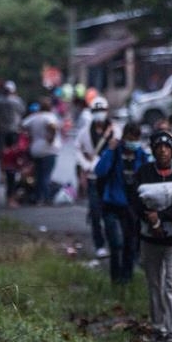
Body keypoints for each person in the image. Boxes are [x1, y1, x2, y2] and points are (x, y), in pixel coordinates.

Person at [134, 130, 172, 342]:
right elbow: (135, 203)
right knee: (154, 284)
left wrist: (159, 216)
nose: (162, 150)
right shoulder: (143, 173)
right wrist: (150, 221)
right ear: (153, 150)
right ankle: (158, 327)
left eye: (167, 146)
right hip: (150, 239)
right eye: (158, 147)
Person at [95, 122, 146, 285]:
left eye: (136, 138)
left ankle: (127, 279)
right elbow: (100, 171)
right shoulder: (114, 152)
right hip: (112, 204)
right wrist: (109, 150)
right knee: (116, 243)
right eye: (130, 138)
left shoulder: (141, 155)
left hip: (132, 206)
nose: (133, 142)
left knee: (130, 244)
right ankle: (115, 279)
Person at [76, 97, 121, 258]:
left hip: (110, 177)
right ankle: (99, 244)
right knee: (95, 212)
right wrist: (85, 166)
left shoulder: (115, 130)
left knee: (112, 212)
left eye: (101, 111)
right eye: (96, 111)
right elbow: (78, 150)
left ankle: (114, 242)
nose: (99, 114)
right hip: (93, 176)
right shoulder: (84, 132)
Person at [0, 80, 25, 204]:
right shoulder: (17, 101)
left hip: (2, 131)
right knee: (12, 154)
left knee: (2, 154)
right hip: (13, 131)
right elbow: (22, 113)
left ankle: (2, 174)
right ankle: (9, 173)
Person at [21, 98, 61, 205]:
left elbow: (22, 125)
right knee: (46, 175)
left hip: (35, 148)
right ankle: (47, 198)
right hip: (48, 149)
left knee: (38, 175)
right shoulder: (50, 116)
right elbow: (52, 126)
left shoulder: (34, 117)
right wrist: (51, 138)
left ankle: (38, 198)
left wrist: (30, 135)